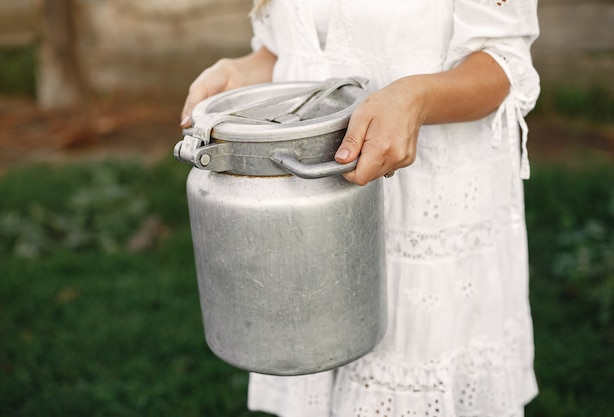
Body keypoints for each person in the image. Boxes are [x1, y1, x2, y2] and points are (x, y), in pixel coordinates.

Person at [181, 0, 540, 416]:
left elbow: (500, 67)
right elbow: (291, 51)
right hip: (307, 213)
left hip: (424, 213)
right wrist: (241, 72)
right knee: (313, 353)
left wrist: (416, 98)